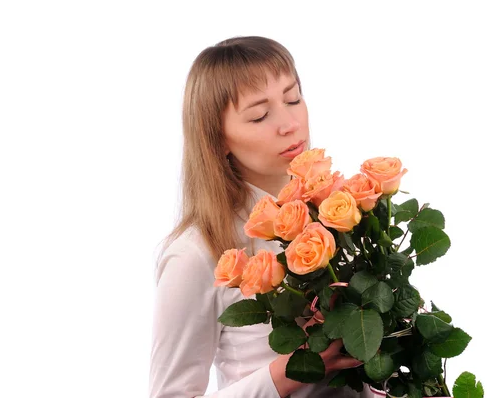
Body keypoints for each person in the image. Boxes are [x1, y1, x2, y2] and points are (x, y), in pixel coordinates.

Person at [149, 36, 376, 398]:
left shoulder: (337, 210)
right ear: (218, 138)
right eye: (260, 115)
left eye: (293, 98)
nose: (289, 124)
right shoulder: (195, 253)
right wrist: (286, 373)